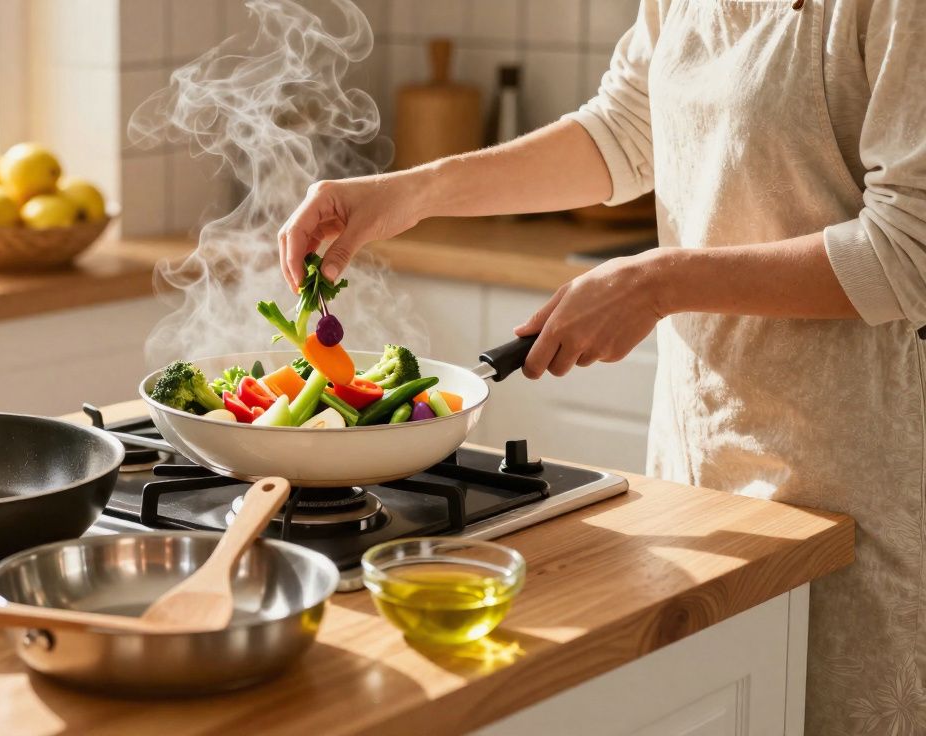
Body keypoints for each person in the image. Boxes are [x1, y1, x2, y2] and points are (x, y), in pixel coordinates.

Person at [278, 1, 926, 732]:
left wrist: (659, 282)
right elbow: (624, 129)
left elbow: (909, 250)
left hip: (861, 484)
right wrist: (413, 192)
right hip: (701, 466)